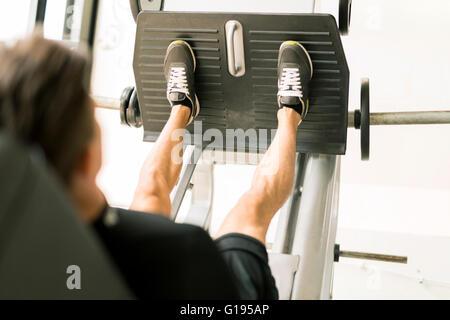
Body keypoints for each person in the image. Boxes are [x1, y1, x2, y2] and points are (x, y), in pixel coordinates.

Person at [0, 34, 312, 300]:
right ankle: (291, 112)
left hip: (127, 263)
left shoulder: (30, 246)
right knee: (250, 211)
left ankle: (183, 107)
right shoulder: (187, 251)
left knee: (150, 186)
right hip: (215, 292)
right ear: (86, 160)